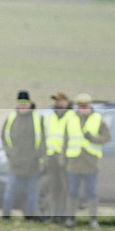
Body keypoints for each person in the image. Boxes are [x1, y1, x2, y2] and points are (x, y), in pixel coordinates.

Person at [64, 93, 111, 229]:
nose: (83, 108)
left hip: (91, 162)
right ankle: (71, 219)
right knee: (72, 192)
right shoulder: (71, 120)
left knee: (92, 193)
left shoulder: (98, 119)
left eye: (86, 106)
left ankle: (93, 220)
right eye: (81, 106)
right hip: (74, 162)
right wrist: (63, 158)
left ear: (90, 106)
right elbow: (66, 141)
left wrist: (93, 139)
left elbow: (107, 137)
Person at [1, 90, 45, 220]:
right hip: (15, 163)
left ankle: (29, 216)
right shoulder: (11, 117)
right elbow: (4, 137)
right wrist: (10, 154)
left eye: (25, 103)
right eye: (20, 103)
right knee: (10, 191)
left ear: (30, 104)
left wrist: (37, 156)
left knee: (32, 193)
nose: (23, 106)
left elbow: (42, 139)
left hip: (33, 164)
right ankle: (5, 215)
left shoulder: (38, 118)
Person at [44, 92, 73, 223]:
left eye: (61, 101)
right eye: (56, 101)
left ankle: (65, 215)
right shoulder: (50, 117)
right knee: (54, 188)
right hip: (52, 157)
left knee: (66, 188)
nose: (58, 103)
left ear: (67, 102)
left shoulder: (72, 117)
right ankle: (54, 215)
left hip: (66, 158)